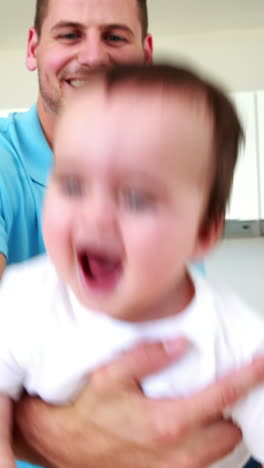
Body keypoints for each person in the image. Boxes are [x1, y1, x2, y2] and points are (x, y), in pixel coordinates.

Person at [0, 1, 262, 467]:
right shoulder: (26, 304)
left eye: (137, 197)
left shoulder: (233, 334)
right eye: (69, 34)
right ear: (34, 47)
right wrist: (59, 440)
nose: (96, 215)